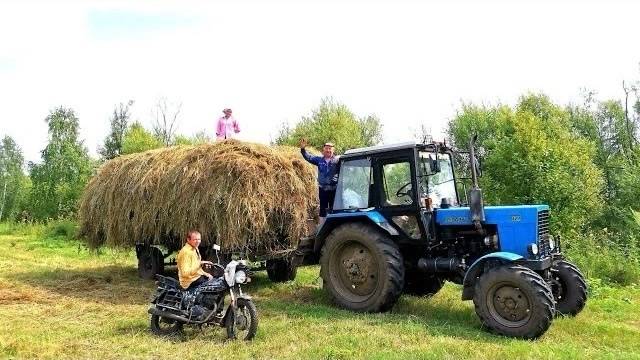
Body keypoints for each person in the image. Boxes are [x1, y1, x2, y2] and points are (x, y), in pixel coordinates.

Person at [300, 139, 340, 221]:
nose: (328, 150)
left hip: (334, 189)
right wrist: (303, 149)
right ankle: (322, 227)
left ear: (333, 150)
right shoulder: (319, 160)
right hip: (323, 189)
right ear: (323, 150)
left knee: (334, 209)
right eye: (326, 148)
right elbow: (308, 157)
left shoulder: (337, 160)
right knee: (323, 209)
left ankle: (334, 226)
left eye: (330, 148)